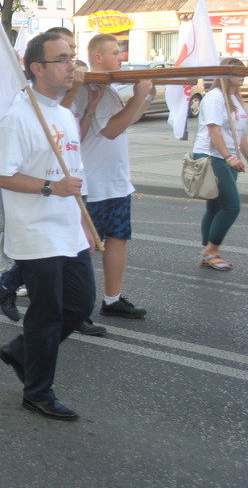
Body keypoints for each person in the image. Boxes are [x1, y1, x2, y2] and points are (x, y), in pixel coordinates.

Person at [0, 32, 94, 421]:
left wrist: (84, 222)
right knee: (47, 314)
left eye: (72, 57)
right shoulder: (18, 118)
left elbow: (77, 177)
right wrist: (51, 187)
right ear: (37, 68)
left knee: (81, 305)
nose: (72, 66)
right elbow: (2, 175)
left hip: (68, 230)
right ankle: (38, 392)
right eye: (63, 59)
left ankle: (20, 351)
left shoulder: (64, 114)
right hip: (36, 233)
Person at [71, 33, 151, 329]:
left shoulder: (110, 89)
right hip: (92, 182)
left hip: (116, 180)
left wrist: (144, 96)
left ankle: (112, 298)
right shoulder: (90, 88)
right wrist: (140, 96)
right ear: (99, 57)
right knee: (82, 247)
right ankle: (74, 308)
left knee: (118, 238)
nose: (122, 57)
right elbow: (111, 130)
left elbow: (127, 120)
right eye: (116, 52)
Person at [191, 57, 248, 271]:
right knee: (232, 206)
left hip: (226, 158)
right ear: (226, 75)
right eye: (238, 72)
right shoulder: (215, 97)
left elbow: (240, 134)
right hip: (212, 156)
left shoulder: (235, 97)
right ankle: (212, 250)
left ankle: (207, 251)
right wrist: (229, 158)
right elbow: (214, 130)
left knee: (215, 207)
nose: (243, 75)